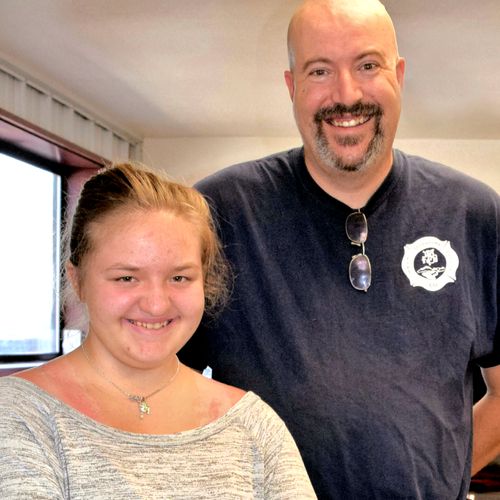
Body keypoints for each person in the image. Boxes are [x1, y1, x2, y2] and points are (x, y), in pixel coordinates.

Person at [179, 0, 500, 498]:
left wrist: (441, 477)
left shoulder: (475, 215)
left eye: (367, 66)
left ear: (399, 75)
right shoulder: (218, 213)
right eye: (320, 70)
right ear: (292, 86)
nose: (346, 95)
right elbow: (156, 384)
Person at [0, 163, 316, 499]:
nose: (155, 305)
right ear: (78, 281)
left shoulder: (254, 427)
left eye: (179, 278)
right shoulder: (21, 417)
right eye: (126, 277)